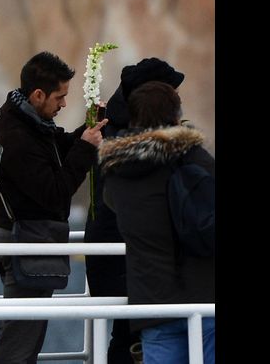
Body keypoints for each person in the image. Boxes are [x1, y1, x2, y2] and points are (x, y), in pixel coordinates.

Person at [0, 50, 106, 364]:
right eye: (59, 97)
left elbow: (54, 147)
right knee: (19, 342)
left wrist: (88, 130)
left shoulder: (24, 118)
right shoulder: (16, 135)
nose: (63, 104)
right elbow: (55, 193)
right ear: (38, 95)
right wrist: (85, 148)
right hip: (23, 240)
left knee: (23, 333)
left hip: (20, 236)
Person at [101, 81, 215, 363]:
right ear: (176, 116)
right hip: (206, 297)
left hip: (152, 302)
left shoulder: (117, 170)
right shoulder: (194, 158)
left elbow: (113, 206)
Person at [83, 58, 185, 363]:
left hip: (115, 254)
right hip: (126, 257)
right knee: (132, 335)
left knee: (128, 334)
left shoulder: (110, 130)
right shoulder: (129, 143)